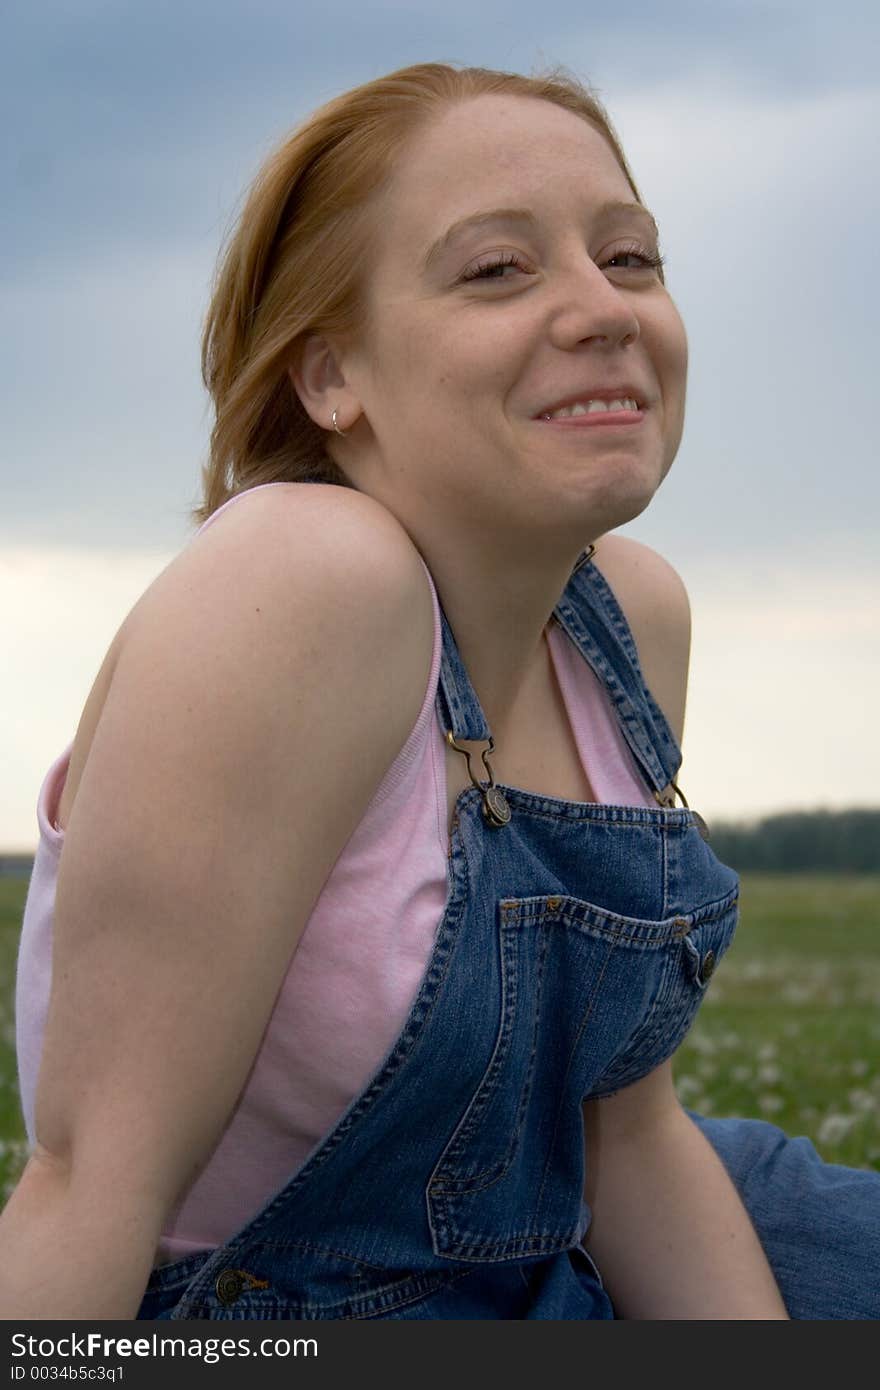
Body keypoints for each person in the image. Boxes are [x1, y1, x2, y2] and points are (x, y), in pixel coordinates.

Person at [3, 61, 878, 1321]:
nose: (602, 308)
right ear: (327, 378)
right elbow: (88, 1187)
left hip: (557, 1223)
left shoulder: (627, 616)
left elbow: (628, 1142)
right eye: (496, 270)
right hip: (293, 1302)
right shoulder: (301, 579)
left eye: (629, 258)